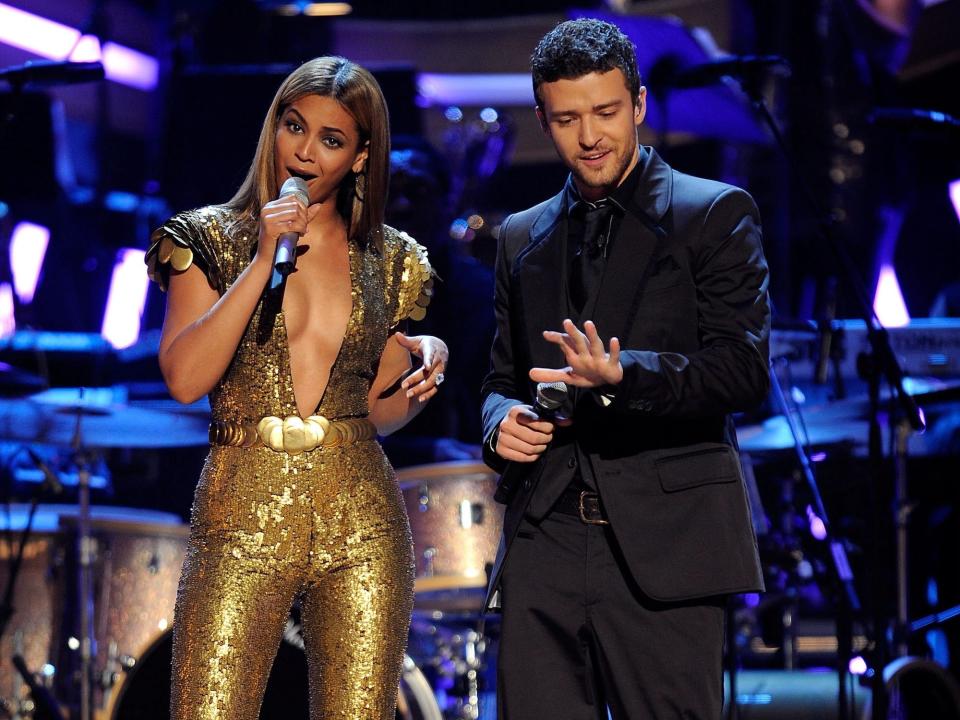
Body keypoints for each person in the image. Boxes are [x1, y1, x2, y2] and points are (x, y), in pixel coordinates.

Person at [481, 19, 770, 719]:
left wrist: (624, 376)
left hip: (665, 540)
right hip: (546, 535)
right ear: (545, 122)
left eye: (606, 113)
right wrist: (500, 423)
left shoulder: (714, 214)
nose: (590, 137)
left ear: (637, 104)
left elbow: (742, 371)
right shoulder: (521, 235)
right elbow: (500, 378)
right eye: (568, 119)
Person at [146, 56, 447, 720]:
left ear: (362, 157)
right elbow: (185, 378)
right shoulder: (205, 239)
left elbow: (371, 414)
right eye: (293, 126)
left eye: (331, 139)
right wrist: (262, 258)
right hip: (241, 514)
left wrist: (424, 365)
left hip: (360, 520)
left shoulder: (394, 260)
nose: (305, 152)